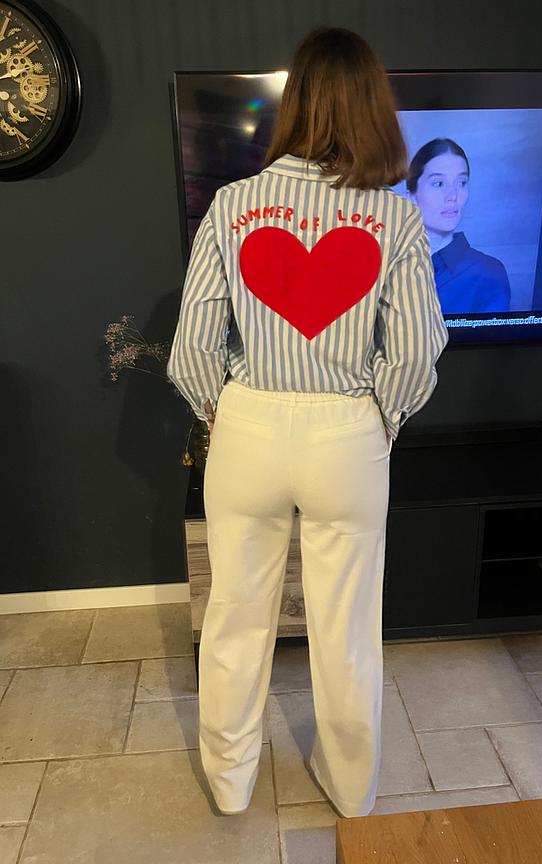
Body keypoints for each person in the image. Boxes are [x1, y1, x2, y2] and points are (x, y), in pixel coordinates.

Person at [167, 27, 448, 819]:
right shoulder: (397, 219)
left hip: (248, 428)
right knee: (347, 628)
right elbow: (417, 351)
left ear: (296, 105)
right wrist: (383, 417)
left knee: (234, 617)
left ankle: (230, 783)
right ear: (372, 109)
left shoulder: (232, 205)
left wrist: (224, 412)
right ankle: (352, 788)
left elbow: (192, 350)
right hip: (347, 436)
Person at [407, 138, 511, 313]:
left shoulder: (488, 273)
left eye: (461, 183)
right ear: (411, 198)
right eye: (438, 183)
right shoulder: (390, 266)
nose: (452, 196)